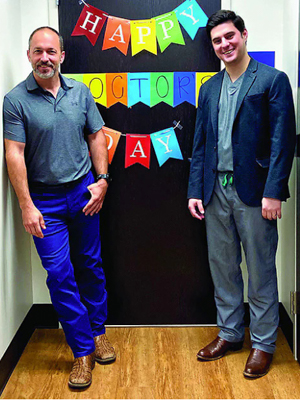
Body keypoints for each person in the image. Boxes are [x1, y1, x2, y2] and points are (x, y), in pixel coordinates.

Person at [3, 26, 116, 389]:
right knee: (60, 274)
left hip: (83, 193)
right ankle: (82, 350)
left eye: (52, 52)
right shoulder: (16, 100)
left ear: (62, 56)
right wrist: (26, 206)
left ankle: (98, 333)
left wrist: (102, 181)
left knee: (90, 265)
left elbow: (96, 135)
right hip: (45, 202)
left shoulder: (80, 92)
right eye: (38, 51)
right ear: (29, 55)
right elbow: (14, 154)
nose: (45, 58)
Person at [188, 10, 296, 378]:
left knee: (261, 269)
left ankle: (264, 342)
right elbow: (200, 143)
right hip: (214, 191)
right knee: (223, 268)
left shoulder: (271, 81)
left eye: (229, 36)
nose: (224, 44)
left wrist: (274, 192)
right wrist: (194, 190)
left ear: (244, 35)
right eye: (217, 40)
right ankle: (231, 333)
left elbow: (283, 142)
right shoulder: (209, 88)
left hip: (255, 194)